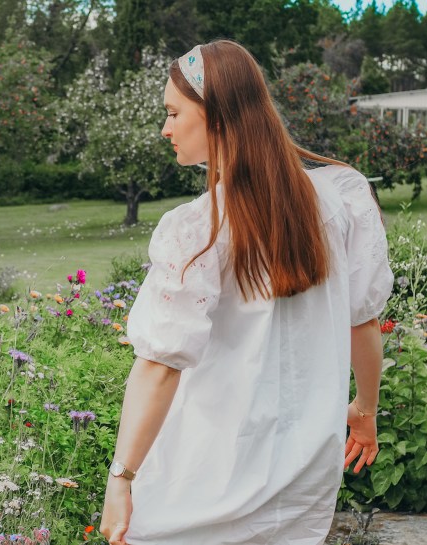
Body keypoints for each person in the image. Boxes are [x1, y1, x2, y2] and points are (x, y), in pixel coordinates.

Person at [99, 40, 392, 545]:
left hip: (207, 477)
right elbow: (362, 321)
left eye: (173, 113)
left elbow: (159, 366)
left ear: (217, 117)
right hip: (302, 478)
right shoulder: (341, 198)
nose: (166, 128)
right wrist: (365, 413)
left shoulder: (198, 229)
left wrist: (121, 478)